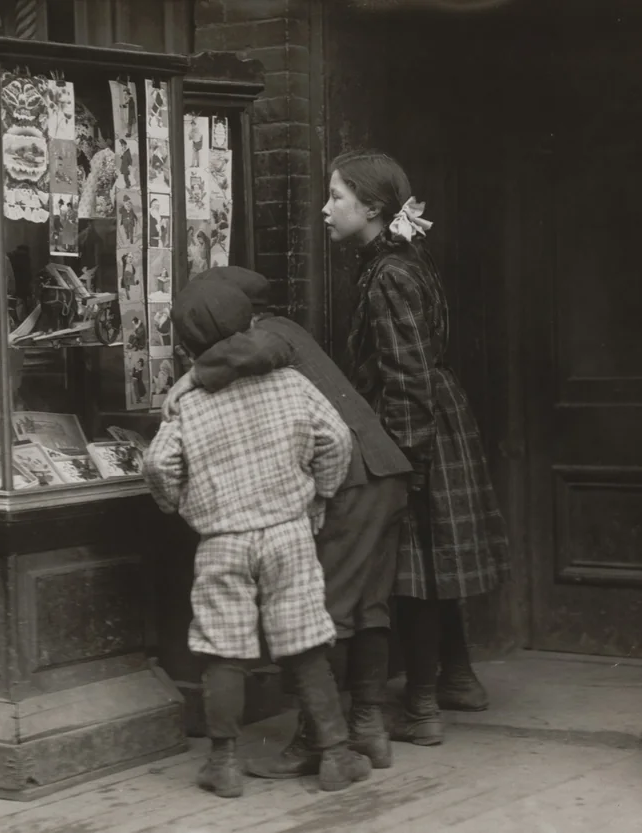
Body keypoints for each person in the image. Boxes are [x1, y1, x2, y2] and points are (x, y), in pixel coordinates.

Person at [162, 266, 412, 775]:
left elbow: (253, 352)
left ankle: (318, 745)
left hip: (352, 481)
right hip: (383, 472)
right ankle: (367, 728)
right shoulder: (280, 335)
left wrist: (192, 377)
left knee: (323, 617)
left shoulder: (268, 336)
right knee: (368, 609)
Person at [323, 149, 509, 746]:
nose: (325, 210)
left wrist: (409, 460)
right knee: (432, 558)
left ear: (372, 207)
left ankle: (423, 708)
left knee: (413, 566)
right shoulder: (401, 261)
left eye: (336, 197)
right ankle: (457, 679)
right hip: (429, 414)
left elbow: (405, 373)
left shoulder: (390, 275)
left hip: (413, 420)